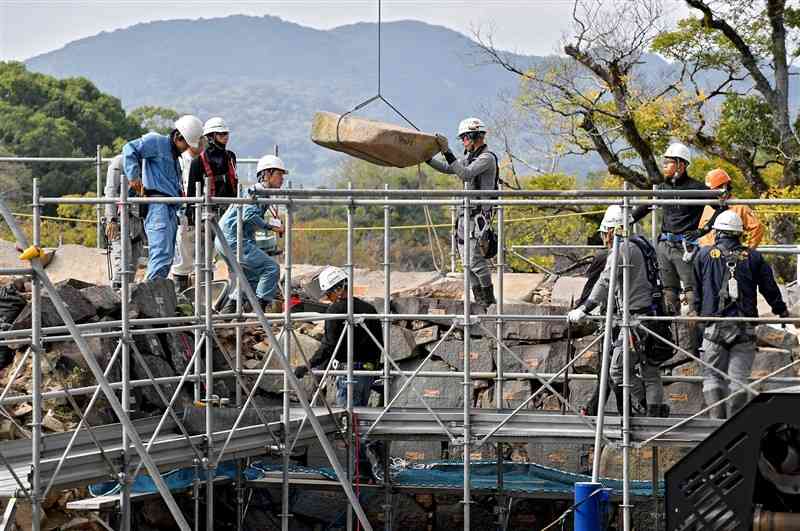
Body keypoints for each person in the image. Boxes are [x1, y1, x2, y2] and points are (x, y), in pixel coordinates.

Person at [568, 205, 669, 417]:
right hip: (653, 315)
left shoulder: (621, 250)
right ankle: (655, 410)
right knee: (651, 370)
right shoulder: (642, 244)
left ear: (613, 230)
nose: (604, 238)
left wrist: (585, 308)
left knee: (617, 370)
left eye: (605, 233)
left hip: (633, 320)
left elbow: (606, 281)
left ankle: (643, 402)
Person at [693, 210, 788, 419]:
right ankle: (734, 426)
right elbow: (769, 289)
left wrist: (700, 316)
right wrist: (782, 312)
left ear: (718, 233)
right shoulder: (753, 257)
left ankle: (716, 424)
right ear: (739, 234)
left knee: (711, 377)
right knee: (739, 380)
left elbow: (697, 291)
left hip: (713, 325)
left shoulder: (703, 255)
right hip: (744, 326)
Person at [294, 265, 384, 480]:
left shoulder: (336, 310)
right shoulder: (369, 308)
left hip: (350, 372)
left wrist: (308, 366)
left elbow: (329, 345)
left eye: (330, 293)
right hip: (367, 370)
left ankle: (363, 470)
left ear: (339, 288)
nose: (329, 298)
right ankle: (374, 456)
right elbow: (379, 342)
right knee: (359, 418)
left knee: (349, 421)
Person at [122, 115, 204, 280]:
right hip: (157, 205)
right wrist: (133, 177)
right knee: (160, 254)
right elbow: (129, 149)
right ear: (177, 136)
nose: (186, 149)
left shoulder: (174, 157)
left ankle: (156, 295)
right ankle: (148, 297)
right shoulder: (156, 141)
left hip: (170, 208)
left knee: (167, 257)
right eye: (185, 144)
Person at [631, 142, 708, 317]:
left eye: (668, 162)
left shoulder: (697, 188)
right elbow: (647, 206)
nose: (664, 166)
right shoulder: (664, 188)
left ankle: (694, 342)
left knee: (692, 292)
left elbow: (720, 207)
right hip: (665, 245)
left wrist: (702, 231)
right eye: (664, 162)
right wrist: (627, 220)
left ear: (681, 165)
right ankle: (671, 340)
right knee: (668, 293)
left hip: (686, 247)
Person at [427, 117, 497, 306]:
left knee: (475, 261)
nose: (464, 142)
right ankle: (481, 301)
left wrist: (446, 150)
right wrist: (426, 158)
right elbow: (449, 168)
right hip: (465, 215)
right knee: (466, 264)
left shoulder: (486, 158)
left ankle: (489, 302)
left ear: (474, 136)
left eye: (465, 138)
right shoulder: (469, 158)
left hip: (478, 216)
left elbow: (465, 174)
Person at [172, 117, 239, 292]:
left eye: (226, 134)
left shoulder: (231, 158)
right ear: (211, 136)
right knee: (203, 259)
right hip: (206, 215)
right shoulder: (198, 162)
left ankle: (234, 296)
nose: (225, 137)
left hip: (229, 212)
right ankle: (203, 298)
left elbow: (234, 186)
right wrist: (191, 219)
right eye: (221, 134)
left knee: (233, 255)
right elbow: (192, 195)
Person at [216, 154, 286, 313]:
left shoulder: (262, 193)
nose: (282, 178)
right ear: (267, 174)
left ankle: (225, 318)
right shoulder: (257, 192)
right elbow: (249, 215)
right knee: (271, 268)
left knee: (250, 280)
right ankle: (257, 316)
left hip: (226, 238)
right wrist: (271, 227)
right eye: (279, 174)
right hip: (232, 239)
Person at [103, 154, 147, 289]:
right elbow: (110, 191)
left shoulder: (148, 162)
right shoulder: (119, 163)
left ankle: (127, 297)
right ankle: (117, 297)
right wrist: (112, 219)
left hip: (138, 218)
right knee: (123, 262)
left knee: (133, 263)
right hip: (120, 217)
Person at [696, 168, 764, 249]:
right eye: (710, 190)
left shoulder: (739, 206)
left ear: (725, 186)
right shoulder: (709, 206)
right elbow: (702, 229)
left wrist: (748, 250)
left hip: (728, 254)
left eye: (714, 189)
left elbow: (757, 227)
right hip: (708, 255)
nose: (712, 193)